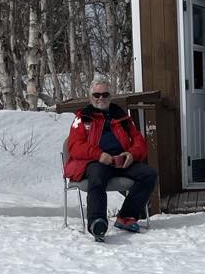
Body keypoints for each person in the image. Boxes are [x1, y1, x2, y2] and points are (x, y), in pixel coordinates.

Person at [64, 81, 158, 240]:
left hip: (122, 161)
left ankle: (126, 217)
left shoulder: (122, 117)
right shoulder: (82, 119)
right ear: (90, 97)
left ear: (111, 96)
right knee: (97, 176)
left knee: (149, 174)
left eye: (105, 94)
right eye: (96, 95)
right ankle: (97, 222)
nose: (101, 98)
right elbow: (75, 146)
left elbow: (139, 142)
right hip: (95, 161)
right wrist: (99, 155)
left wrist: (131, 154)